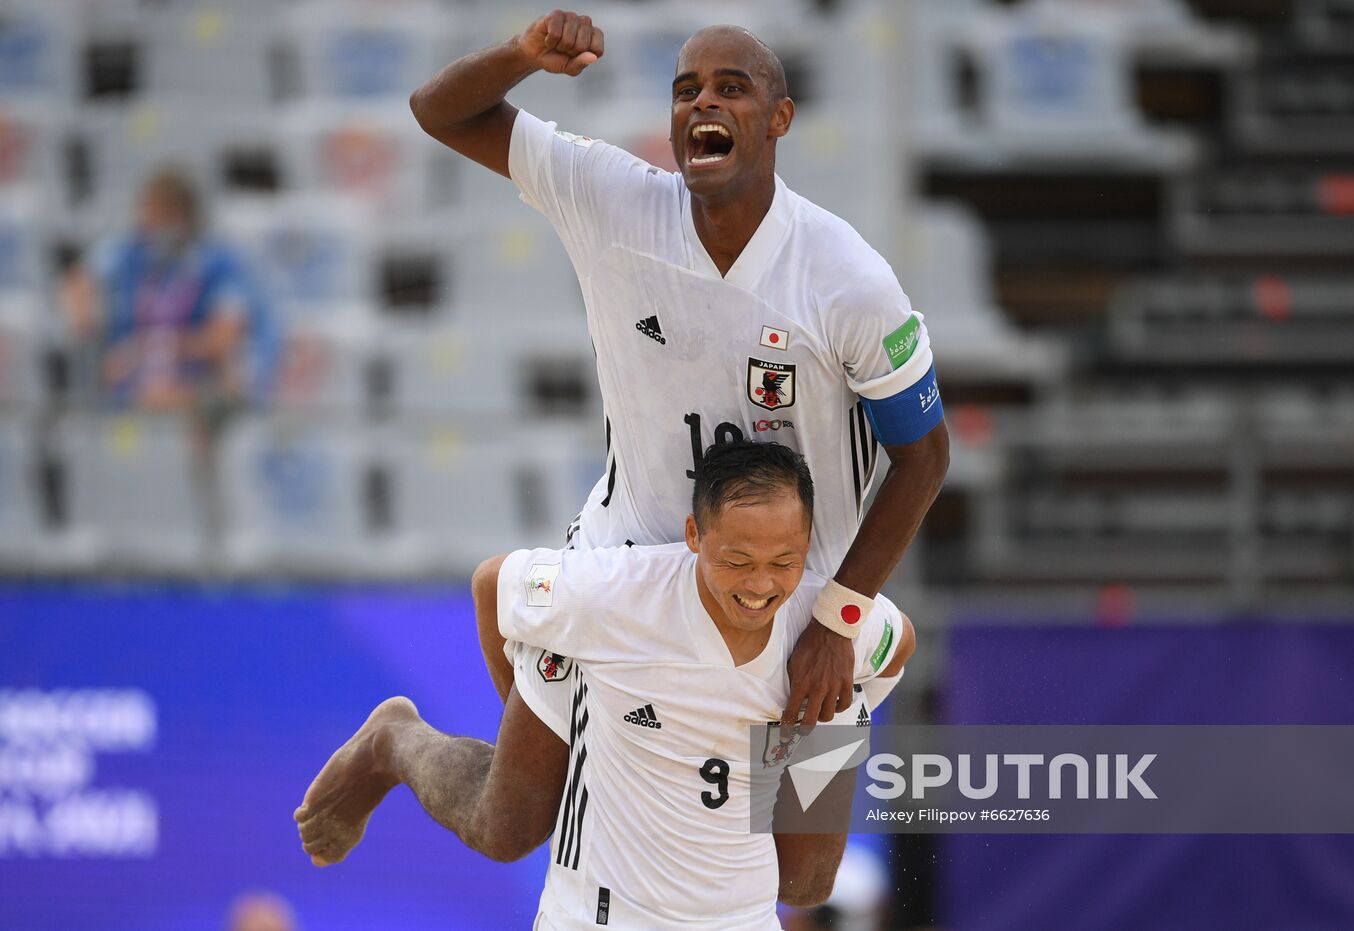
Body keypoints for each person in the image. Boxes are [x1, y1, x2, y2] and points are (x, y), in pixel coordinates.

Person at [410, 9, 947, 725]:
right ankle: (403, 741)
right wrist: (523, 53)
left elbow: (926, 456)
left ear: (779, 117)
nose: (704, 103)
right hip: (632, 573)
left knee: (802, 840)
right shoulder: (612, 199)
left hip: (791, 604)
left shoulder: (847, 277)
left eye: (732, 88)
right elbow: (437, 112)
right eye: (686, 90)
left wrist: (840, 616)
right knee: (522, 815)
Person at [297, 441, 915, 928]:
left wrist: (818, 722)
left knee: (808, 885)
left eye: (783, 562)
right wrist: (538, 718)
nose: (760, 585)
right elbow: (493, 586)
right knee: (506, 826)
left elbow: (898, 646)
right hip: (596, 916)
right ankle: (394, 739)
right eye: (737, 562)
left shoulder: (831, 614)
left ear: (806, 547)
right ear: (695, 537)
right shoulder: (618, 593)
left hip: (739, 916)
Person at [62, 166, 276, 418]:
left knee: (224, 383)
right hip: (132, 385)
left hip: (192, 383)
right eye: (148, 214)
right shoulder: (130, 250)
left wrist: (151, 350)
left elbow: (222, 337)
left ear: (184, 216)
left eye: (160, 215)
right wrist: (87, 322)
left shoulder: (219, 261)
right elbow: (80, 280)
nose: (149, 224)